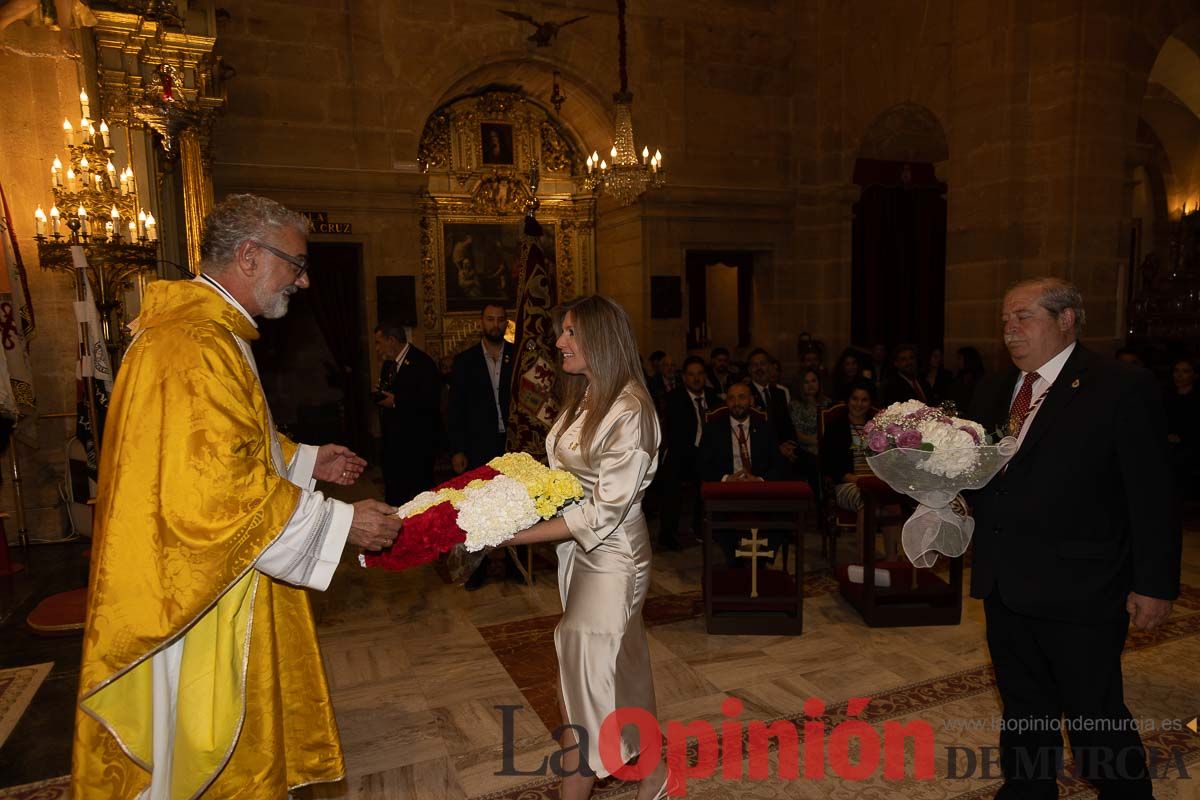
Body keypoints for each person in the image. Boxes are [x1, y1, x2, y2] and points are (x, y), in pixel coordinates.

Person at [71, 194, 403, 799]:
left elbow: (228, 442)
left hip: (207, 575)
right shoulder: (193, 344)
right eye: (296, 264)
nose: (303, 282)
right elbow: (214, 489)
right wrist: (341, 524)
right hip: (192, 593)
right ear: (250, 256)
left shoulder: (210, 333)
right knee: (201, 742)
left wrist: (303, 458)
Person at [968, 277, 1180, 799]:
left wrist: (1154, 584)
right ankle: (1028, 791)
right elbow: (983, 478)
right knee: (1022, 706)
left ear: (1067, 320)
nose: (1009, 331)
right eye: (1004, 320)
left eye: (1024, 317)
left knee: (1094, 714)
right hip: (1004, 583)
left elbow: (1152, 493)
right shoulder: (996, 389)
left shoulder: (1119, 386)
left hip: (1081, 587)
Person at [505, 295, 673, 800]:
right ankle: (657, 771)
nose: (559, 342)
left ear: (600, 339)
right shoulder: (586, 394)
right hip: (581, 555)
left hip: (614, 556)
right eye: (562, 332)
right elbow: (569, 479)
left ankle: (579, 783)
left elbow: (603, 510)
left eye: (571, 332)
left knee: (585, 673)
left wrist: (513, 535)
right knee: (614, 670)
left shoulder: (631, 410)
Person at [447, 303, 515, 590]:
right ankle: (478, 567)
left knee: (514, 505)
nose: (495, 324)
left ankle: (514, 565)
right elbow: (455, 409)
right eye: (490, 319)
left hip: (513, 444)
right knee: (479, 507)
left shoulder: (518, 357)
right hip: (478, 444)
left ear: (505, 324)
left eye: (500, 320)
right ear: (481, 322)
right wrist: (457, 449)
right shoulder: (465, 361)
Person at [819, 380, 897, 559]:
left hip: (876, 483)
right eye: (855, 399)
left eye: (864, 400)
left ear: (870, 403)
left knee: (893, 504)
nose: (858, 404)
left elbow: (888, 461)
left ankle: (893, 563)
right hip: (848, 484)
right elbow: (829, 465)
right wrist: (860, 481)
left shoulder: (878, 427)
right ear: (848, 400)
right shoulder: (835, 427)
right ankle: (865, 564)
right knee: (867, 501)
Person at [375, 321, 442, 506]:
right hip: (394, 446)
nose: (377, 348)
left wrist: (396, 401)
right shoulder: (388, 366)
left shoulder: (422, 363)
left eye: (379, 343)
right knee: (396, 498)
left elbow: (430, 402)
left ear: (392, 340)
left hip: (416, 446)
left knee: (418, 500)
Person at [659, 355, 721, 549]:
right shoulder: (673, 398)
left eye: (700, 374)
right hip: (683, 454)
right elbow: (674, 435)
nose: (696, 378)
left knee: (718, 470)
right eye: (691, 375)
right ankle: (667, 535)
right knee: (671, 474)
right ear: (684, 377)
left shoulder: (714, 398)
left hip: (708, 455)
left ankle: (706, 528)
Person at [699, 382, 787, 483]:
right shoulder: (712, 429)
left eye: (741, 397)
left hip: (758, 489)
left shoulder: (765, 428)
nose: (736, 403)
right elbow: (702, 465)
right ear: (726, 402)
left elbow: (778, 464)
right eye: (731, 398)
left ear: (751, 400)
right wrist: (725, 479)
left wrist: (759, 480)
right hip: (725, 488)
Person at [746, 348, 799, 455]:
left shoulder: (779, 393)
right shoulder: (745, 394)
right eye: (755, 365)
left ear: (770, 367)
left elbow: (787, 424)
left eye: (763, 364)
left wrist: (790, 444)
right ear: (749, 369)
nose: (759, 368)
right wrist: (777, 448)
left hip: (785, 449)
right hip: (760, 451)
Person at [1165, 355, 1199, 503]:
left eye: (1185, 371)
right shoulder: (1165, 396)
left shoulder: (1196, 399)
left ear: (1194, 374)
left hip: (1190, 448)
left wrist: (1183, 438)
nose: (1180, 375)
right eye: (1177, 371)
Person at [787, 367, 831, 458]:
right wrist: (819, 441)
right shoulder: (794, 406)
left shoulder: (827, 403)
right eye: (806, 382)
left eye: (813, 381)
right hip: (805, 450)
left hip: (827, 446)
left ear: (819, 383)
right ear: (801, 385)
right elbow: (798, 435)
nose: (810, 385)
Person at [947, 345, 985, 415]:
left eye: (960, 358)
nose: (958, 361)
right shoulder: (958, 378)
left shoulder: (980, 380)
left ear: (968, 360)